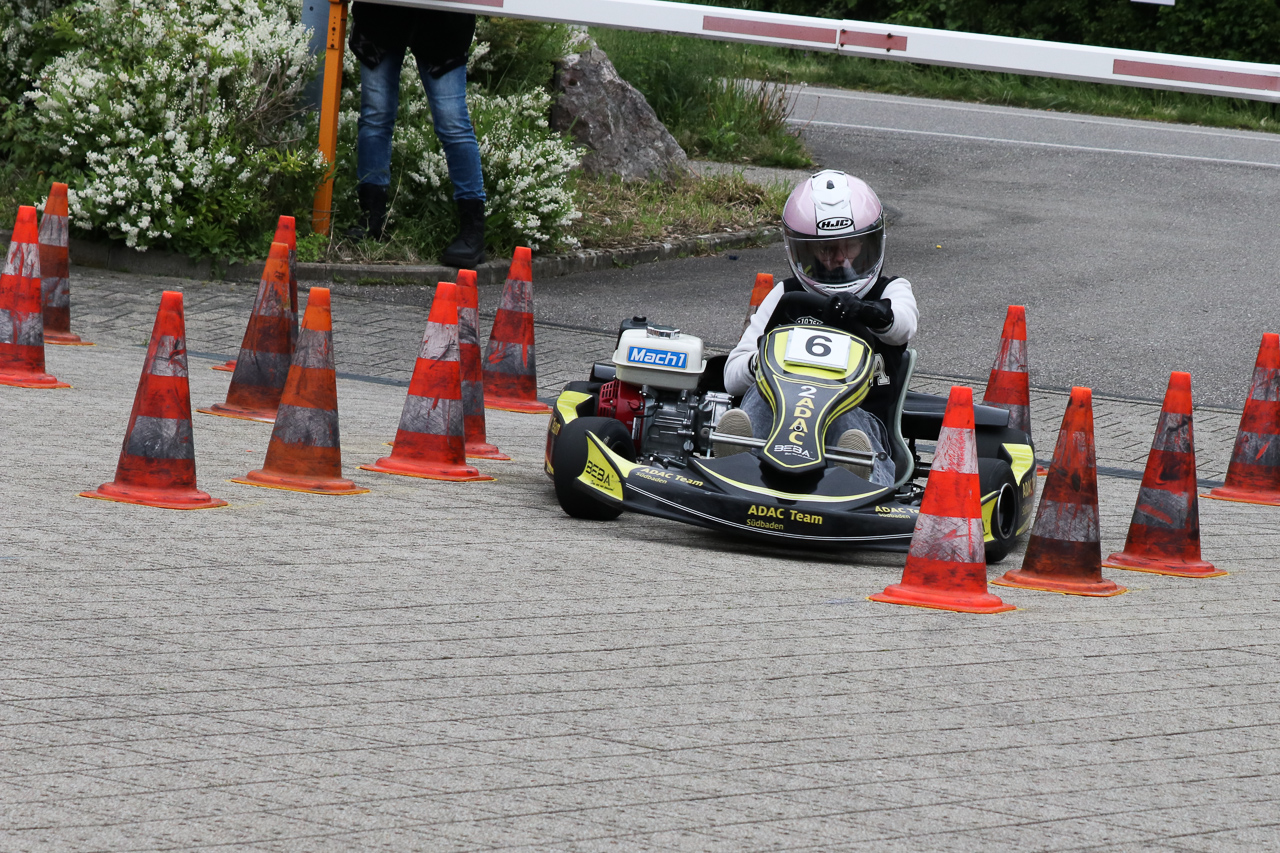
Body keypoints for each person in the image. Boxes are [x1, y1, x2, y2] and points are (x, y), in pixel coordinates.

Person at [719, 170, 918, 487]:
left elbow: (904, 325)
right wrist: (763, 362)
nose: (839, 258)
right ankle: (734, 463)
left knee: (842, 417)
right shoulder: (785, 295)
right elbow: (732, 377)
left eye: (850, 246)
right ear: (805, 250)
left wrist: (868, 312)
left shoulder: (890, 291)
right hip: (782, 419)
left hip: (859, 422)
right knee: (759, 397)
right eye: (827, 249)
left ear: (868, 242)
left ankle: (859, 477)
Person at [346, 2, 486, 268]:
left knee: (452, 123)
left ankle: (473, 229)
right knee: (376, 116)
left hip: (443, 23)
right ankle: (371, 216)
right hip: (381, 17)